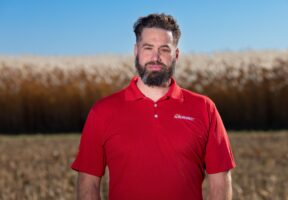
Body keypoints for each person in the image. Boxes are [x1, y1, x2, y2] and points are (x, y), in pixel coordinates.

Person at [71, 13, 236, 200]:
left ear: (176, 54)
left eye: (164, 49)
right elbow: (88, 182)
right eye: (148, 48)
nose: (155, 57)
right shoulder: (102, 111)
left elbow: (220, 180)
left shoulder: (204, 108)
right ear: (136, 51)